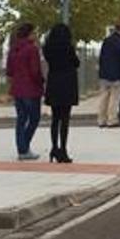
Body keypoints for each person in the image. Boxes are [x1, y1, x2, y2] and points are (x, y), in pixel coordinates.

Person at [6, 23, 43, 160]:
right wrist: (41, 82)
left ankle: (22, 147)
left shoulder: (13, 49)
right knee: (34, 118)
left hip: (17, 89)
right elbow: (35, 71)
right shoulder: (32, 49)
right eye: (35, 33)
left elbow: (9, 71)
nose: (36, 35)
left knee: (21, 119)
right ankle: (24, 146)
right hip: (31, 89)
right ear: (30, 34)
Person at [43, 23, 79, 163]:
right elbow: (76, 63)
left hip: (54, 84)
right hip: (67, 85)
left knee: (55, 119)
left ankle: (54, 147)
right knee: (65, 120)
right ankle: (63, 149)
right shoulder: (68, 48)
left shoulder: (48, 48)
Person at [97, 24, 120, 128]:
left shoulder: (106, 41)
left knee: (103, 98)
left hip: (104, 74)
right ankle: (112, 120)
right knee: (114, 99)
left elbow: (101, 57)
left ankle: (101, 120)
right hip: (117, 75)